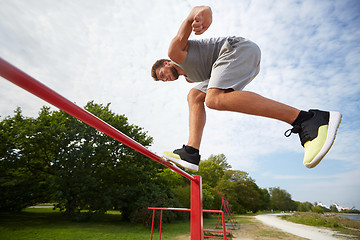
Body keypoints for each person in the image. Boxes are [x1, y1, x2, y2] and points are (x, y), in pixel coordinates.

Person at [151, 6, 342, 172]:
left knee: (213, 99)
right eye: (163, 81)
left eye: (162, 74)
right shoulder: (190, 79)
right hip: (231, 62)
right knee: (194, 96)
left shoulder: (176, 51)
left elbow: (194, 13)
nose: (166, 79)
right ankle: (191, 152)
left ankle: (307, 119)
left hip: (236, 49)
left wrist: (202, 15)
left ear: (167, 63)